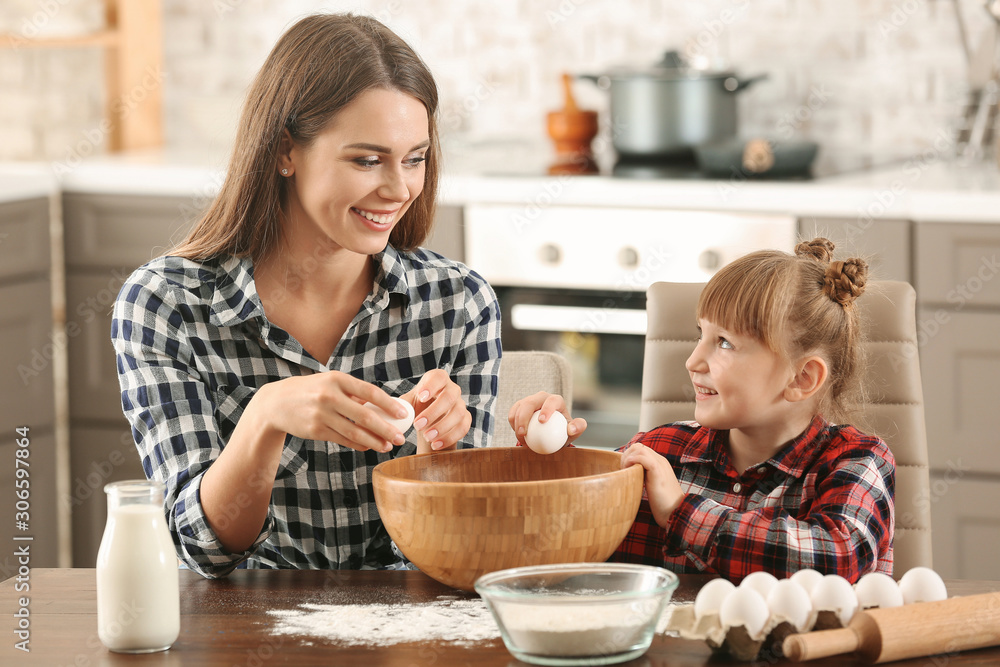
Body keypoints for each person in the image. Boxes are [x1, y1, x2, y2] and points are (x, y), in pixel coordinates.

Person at [111, 14, 502, 578]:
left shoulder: (458, 303)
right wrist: (265, 418)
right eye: (367, 160)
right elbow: (204, 550)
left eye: (413, 158)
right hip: (243, 642)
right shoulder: (165, 306)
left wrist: (437, 459)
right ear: (284, 152)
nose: (398, 190)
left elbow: (464, 550)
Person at [509, 239, 894, 583]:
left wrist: (680, 511)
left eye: (724, 343)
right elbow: (563, 536)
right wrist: (549, 463)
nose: (694, 360)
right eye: (701, 335)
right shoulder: (661, 450)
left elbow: (836, 559)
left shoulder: (855, 462)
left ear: (801, 377)